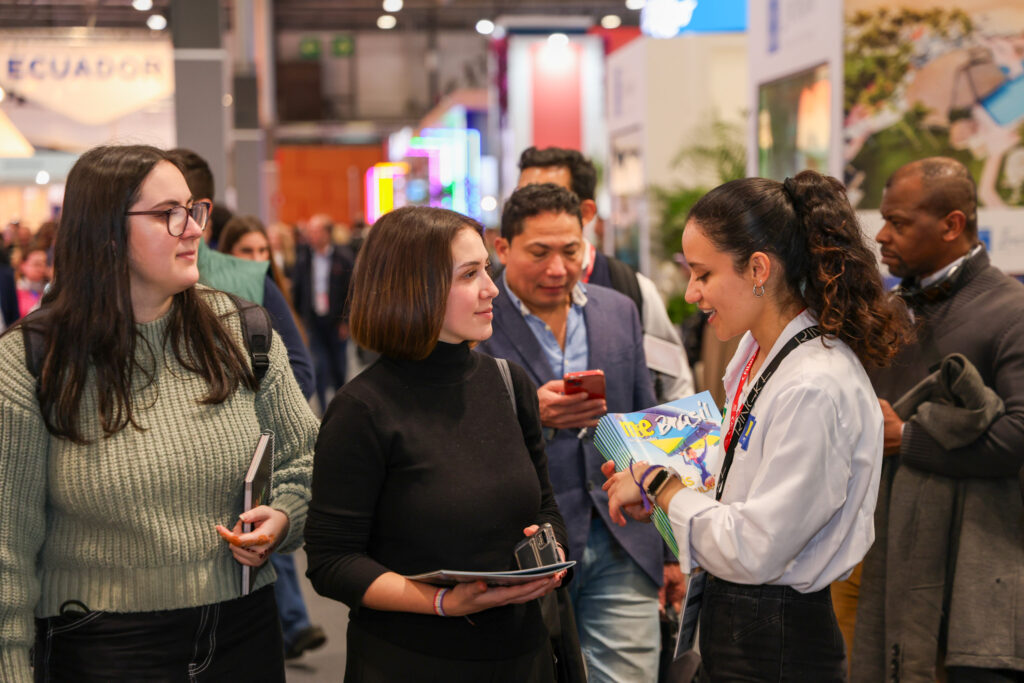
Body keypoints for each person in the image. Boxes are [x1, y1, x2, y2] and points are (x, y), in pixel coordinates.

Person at [0, 145, 319, 682]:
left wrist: (284, 515)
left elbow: (306, 456)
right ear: (104, 230)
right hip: (101, 645)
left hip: (244, 630)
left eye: (194, 209)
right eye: (168, 213)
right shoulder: (32, 360)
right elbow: (7, 546)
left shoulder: (241, 331)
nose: (193, 228)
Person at [603, 170, 910, 681]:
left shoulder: (814, 384)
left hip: (780, 640)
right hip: (738, 623)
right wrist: (663, 499)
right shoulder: (756, 353)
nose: (694, 294)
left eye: (703, 275)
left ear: (758, 269)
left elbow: (755, 548)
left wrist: (659, 484)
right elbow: (736, 492)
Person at [304, 206, 568, 681]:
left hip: (522, 656)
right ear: (413, 287)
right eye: (470, 274)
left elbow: (545, 507)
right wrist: (443, 602)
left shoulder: (509, 384)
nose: (492, 288)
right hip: (411, 662)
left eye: (486, 269)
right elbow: (332, 561)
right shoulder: (362, 409)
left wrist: (546, 556)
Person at [476, 183, 663, 683]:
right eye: (539, 253)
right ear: (502, 248)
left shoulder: (617, 311)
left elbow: (645, 425)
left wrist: (668, 547)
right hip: (523, 544)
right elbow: (452, 434)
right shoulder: (476, 321)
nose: (557, 268)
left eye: (570, 250)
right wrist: (529, 412)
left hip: (623, 535)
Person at [850, 158, 1024, 682]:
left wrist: (910, 438)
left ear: (951, 224)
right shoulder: (890, 311)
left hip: (979, 586)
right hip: (880, 567)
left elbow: (1020, 433)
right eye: (883, 219)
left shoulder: (1011, 310)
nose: (881, 235)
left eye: (900, 223)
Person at [218, 213, 329, 660]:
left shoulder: (264, 298)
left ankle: (295, 623)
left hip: (263, 446)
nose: (258, 260)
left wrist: (268, 410)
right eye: (247, 252)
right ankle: (293, 623)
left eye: (264, 251)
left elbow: (302, 369)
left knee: (267, 524)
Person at [518, 146, 695, 404]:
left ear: (587, 212)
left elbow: (675, 386)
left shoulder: (631, 290)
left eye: (550, 200)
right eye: (522, 200)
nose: (531, 212)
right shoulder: (495, 292)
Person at [292, 213, 355, 411]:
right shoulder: (304, 259)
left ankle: (342, 407)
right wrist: (300, 319)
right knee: (319, 367)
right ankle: (324, 409)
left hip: (336, 322)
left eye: (316, 231)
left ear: (328, 233)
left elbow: (351, 291)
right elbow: (298, 290)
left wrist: (346, 321)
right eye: (310, 231)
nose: (312, 235)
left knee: (339, 368)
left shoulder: (343, 258)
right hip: (313, 321)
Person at [15, 247, 47, 317]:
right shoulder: (15, 290)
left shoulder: (47, 289)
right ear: (23, 265)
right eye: (37, 264)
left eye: (44, 264)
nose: (41, 269)